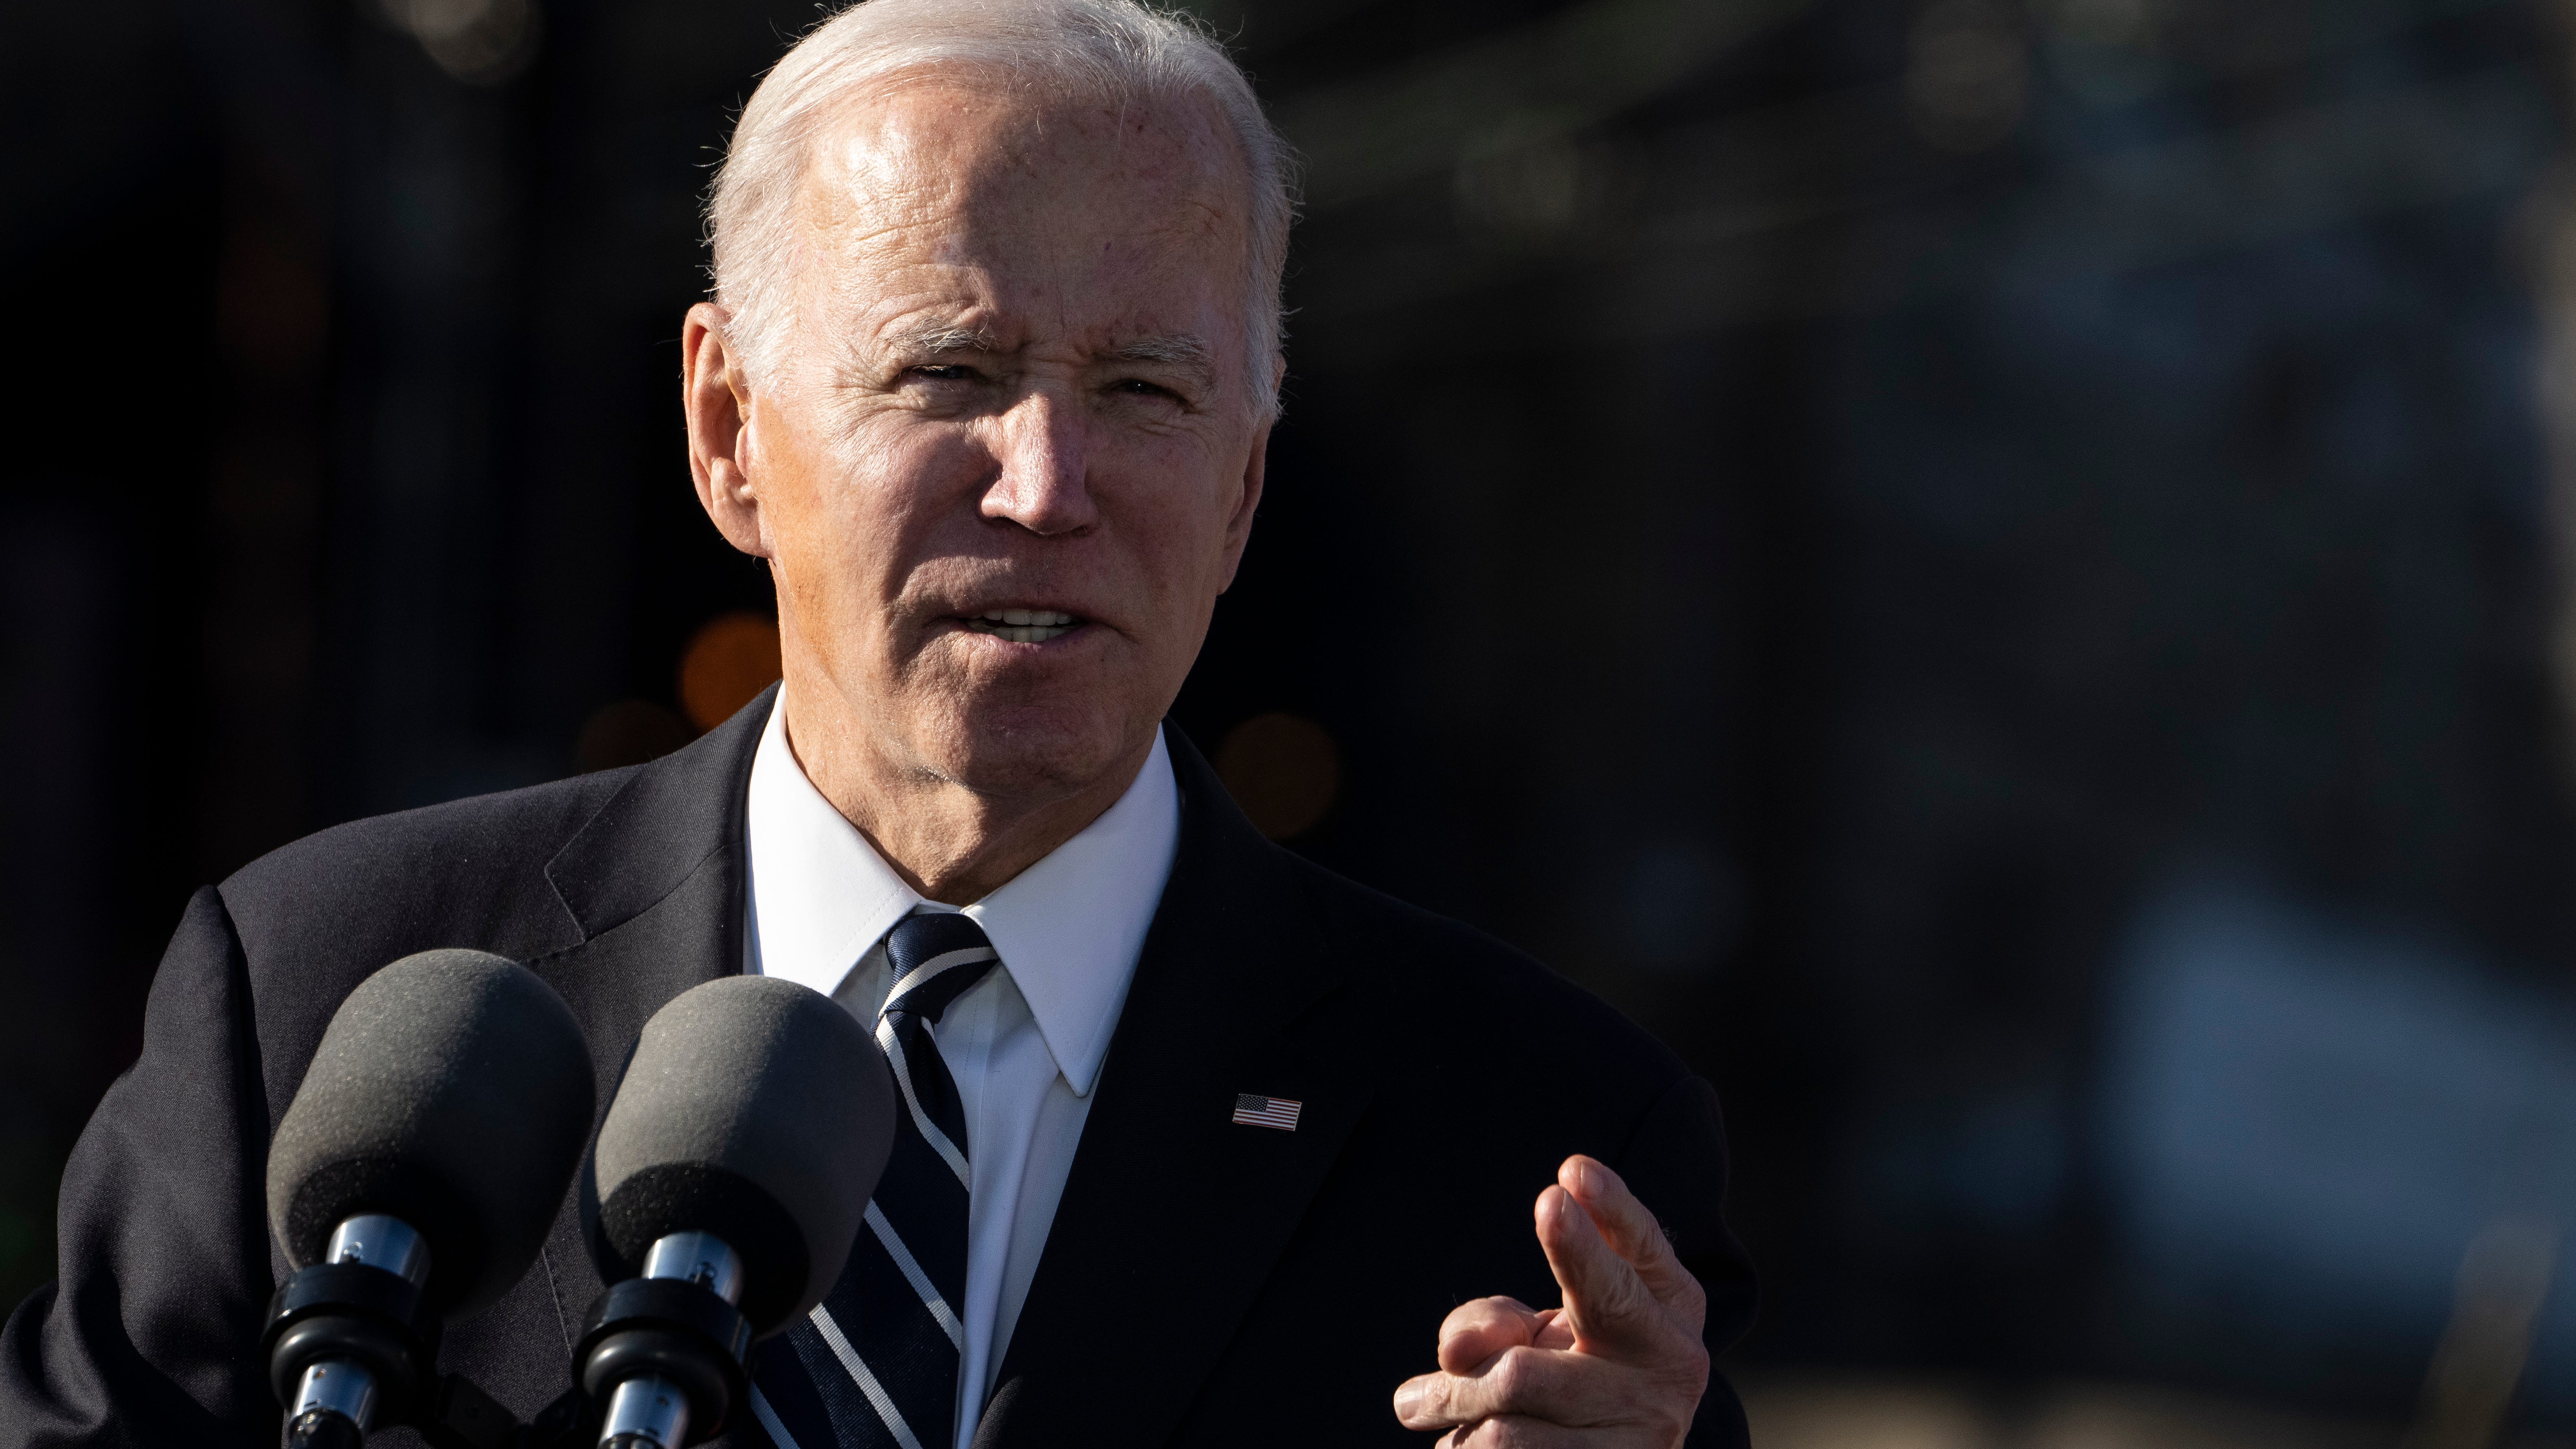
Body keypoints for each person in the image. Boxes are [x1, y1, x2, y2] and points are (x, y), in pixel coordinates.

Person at [0, 2, 1755, 1445]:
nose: (1049, 484)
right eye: (950, 374)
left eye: (1144, 390)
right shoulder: (321, 1000)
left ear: (1241, 489)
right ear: (728, 430)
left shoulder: (1537, 1150)